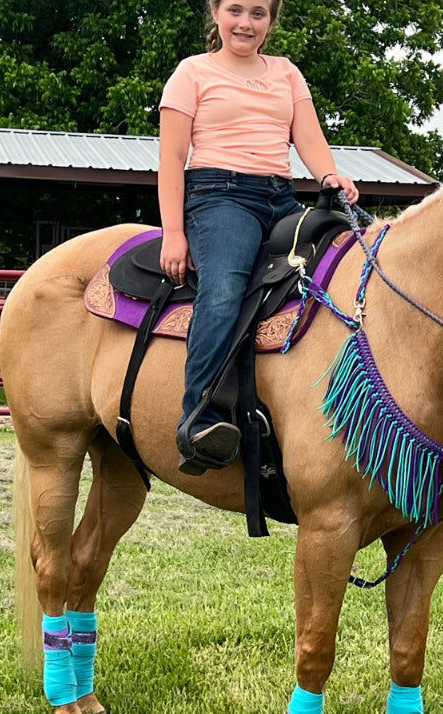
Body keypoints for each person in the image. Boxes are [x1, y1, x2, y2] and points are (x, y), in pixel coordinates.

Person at [158, 0, 359, 472]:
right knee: (225, 289)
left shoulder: (287, 73)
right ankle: (199, 417)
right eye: (235, 10)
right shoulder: (192, 73)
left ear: (270, 21)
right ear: (215, 13)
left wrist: (330, 176)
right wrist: (173, 232)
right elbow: (171, 158)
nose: (245, 23)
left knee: (350, 262)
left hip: (280, 195)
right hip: (218, 195)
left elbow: (307, 138)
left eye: (258, 13)